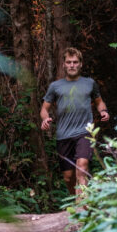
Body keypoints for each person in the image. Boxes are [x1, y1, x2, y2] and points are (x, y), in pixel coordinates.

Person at [40, 47, 109, 197]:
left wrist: (103, 111)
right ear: (64, 64)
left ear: (81, 64)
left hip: (84, 131)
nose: (72, 65)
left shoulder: (90, 83)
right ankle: (75, 199)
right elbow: (44, 109)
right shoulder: (55, 86)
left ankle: (83, 207)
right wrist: (45, 119)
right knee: (68, 177)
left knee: (82, 167)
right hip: (63, 135)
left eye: (75, 62)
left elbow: (99, 102)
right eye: (69, 62)